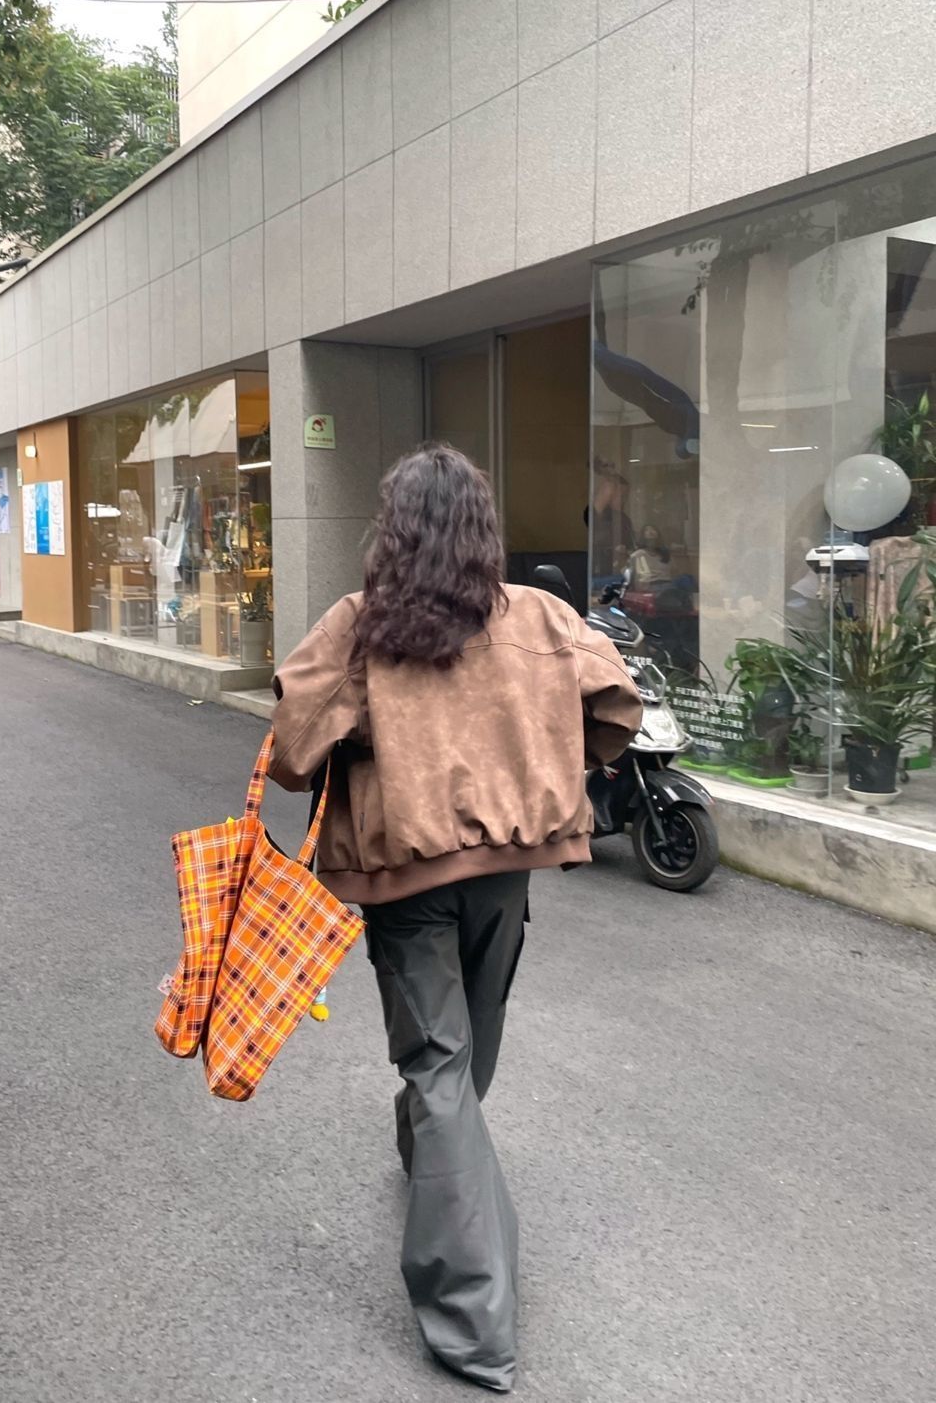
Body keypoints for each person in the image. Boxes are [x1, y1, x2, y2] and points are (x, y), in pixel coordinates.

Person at [268, 443, 642, 1393]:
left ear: (391, 531)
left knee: (441, 1062)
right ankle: (479, 1319)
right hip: (508, 868)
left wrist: (368, 731)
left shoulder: (360, 625)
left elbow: (291, 754)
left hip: (403, 870)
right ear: (483, 528)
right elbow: (617, 710)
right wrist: (550, 763)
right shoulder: (540, 616)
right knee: (466, 1050)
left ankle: (457, 1258)